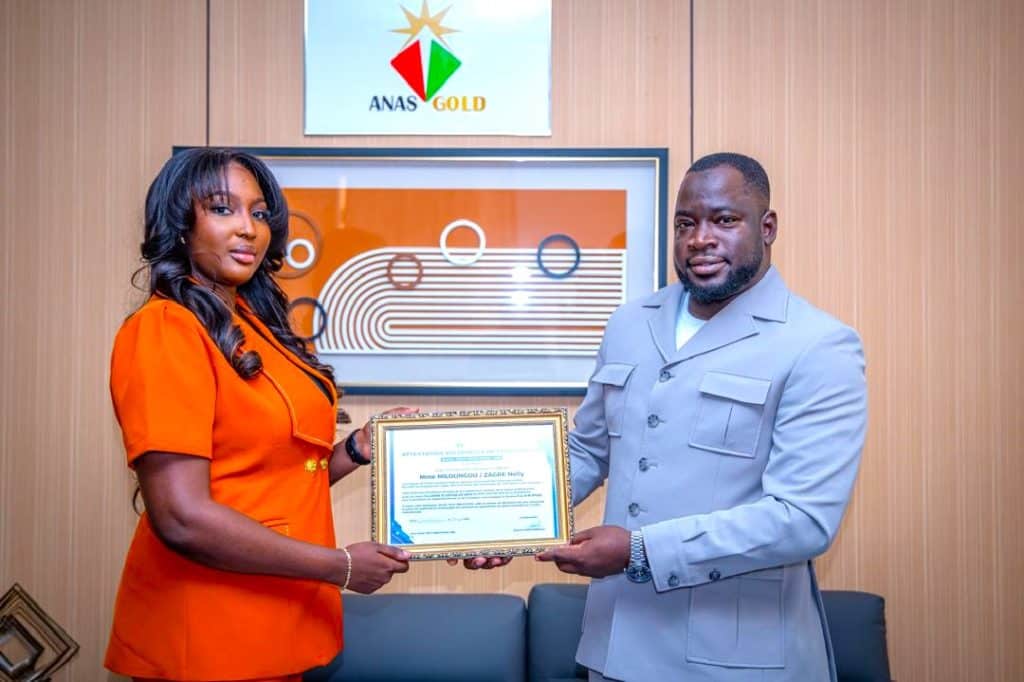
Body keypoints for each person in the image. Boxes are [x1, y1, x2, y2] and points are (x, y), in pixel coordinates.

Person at [530, 152, 868, 681]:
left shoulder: (819, 344)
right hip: (615, 648)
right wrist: (501, 519)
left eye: (724, 220)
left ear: (767, 227)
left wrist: (639, 551)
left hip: (737, 660)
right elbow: (589, 449)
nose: (700, 239)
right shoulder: (629, 323)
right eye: (685, 224)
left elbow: (802, 519)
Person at [105, 148, 411, 682]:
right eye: (222, 209)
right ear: (180, 224)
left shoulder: (251, 323)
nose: (248, 228)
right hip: (207, 633)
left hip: (277, 621)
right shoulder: (165, 329)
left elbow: (274, 477)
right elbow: (181, 516)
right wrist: (339, 566)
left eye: (260, 212)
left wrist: (358, 448)